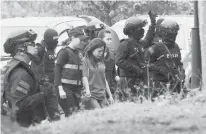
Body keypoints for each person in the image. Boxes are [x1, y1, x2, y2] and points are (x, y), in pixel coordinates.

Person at [1, 29, 52, 127]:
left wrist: (38, 86)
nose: (35, 46)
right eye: (31, 43)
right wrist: (43, 93)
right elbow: (19, 105)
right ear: (21, 48)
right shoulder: (21, 73)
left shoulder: (13, 65)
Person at [115, 11, 157, 98]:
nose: (142, 30)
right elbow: (118, 61)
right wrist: (135, 68)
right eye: (140, 28)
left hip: (138, 80)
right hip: (128, 80)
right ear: (132, 30)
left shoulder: (139, 43)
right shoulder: (125, 44)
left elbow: (148, 39)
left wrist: (153, 24)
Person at [145, 19, 185, 96]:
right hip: (159, 84)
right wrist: (159, 69)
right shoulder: (155, 48)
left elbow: (178, 62)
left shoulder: (176, 46)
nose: (173, 37)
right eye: (171, 35)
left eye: (175, 34)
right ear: (164, 33)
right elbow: (145, 64)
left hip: (174, 83)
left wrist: (182, 72)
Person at [54, 28, 89, 117]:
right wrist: (60, 89)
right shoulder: (64, 52)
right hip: (65, 88)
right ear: (73, 38)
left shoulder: (79, 53)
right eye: (79, 39)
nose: (81, 41)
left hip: (77, 88)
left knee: (79, 113)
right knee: (71, 114)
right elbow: (57, 71)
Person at [30, 28, 60, 121]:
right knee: (40, 117)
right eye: (54, 39)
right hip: (40, 88)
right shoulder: (41, 48)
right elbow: (32, 57)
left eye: (57, 39)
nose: (56, 42)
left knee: (56, 116)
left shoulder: (51, 49)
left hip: (50, 87)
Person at [82, 38, 114, 109]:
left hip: (102, 94)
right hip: (91, 95)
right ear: (92, 50)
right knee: (99, 113)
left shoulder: (101, 62)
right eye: (99, 51)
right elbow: (84, 77)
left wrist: (110, 95)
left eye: (102, 51)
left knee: (106, 115)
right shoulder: (85, 60)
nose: (101, 53)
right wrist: (87, 90)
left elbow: (104, 79)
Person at [98, 29, 119, 95]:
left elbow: (114, 72)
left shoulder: (112, 55)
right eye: (108, 39)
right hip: (99, 87)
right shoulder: (95, 55)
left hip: (111, 87)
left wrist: (116, 77)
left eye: (111, 39)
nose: (110, 41)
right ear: (101, 40)